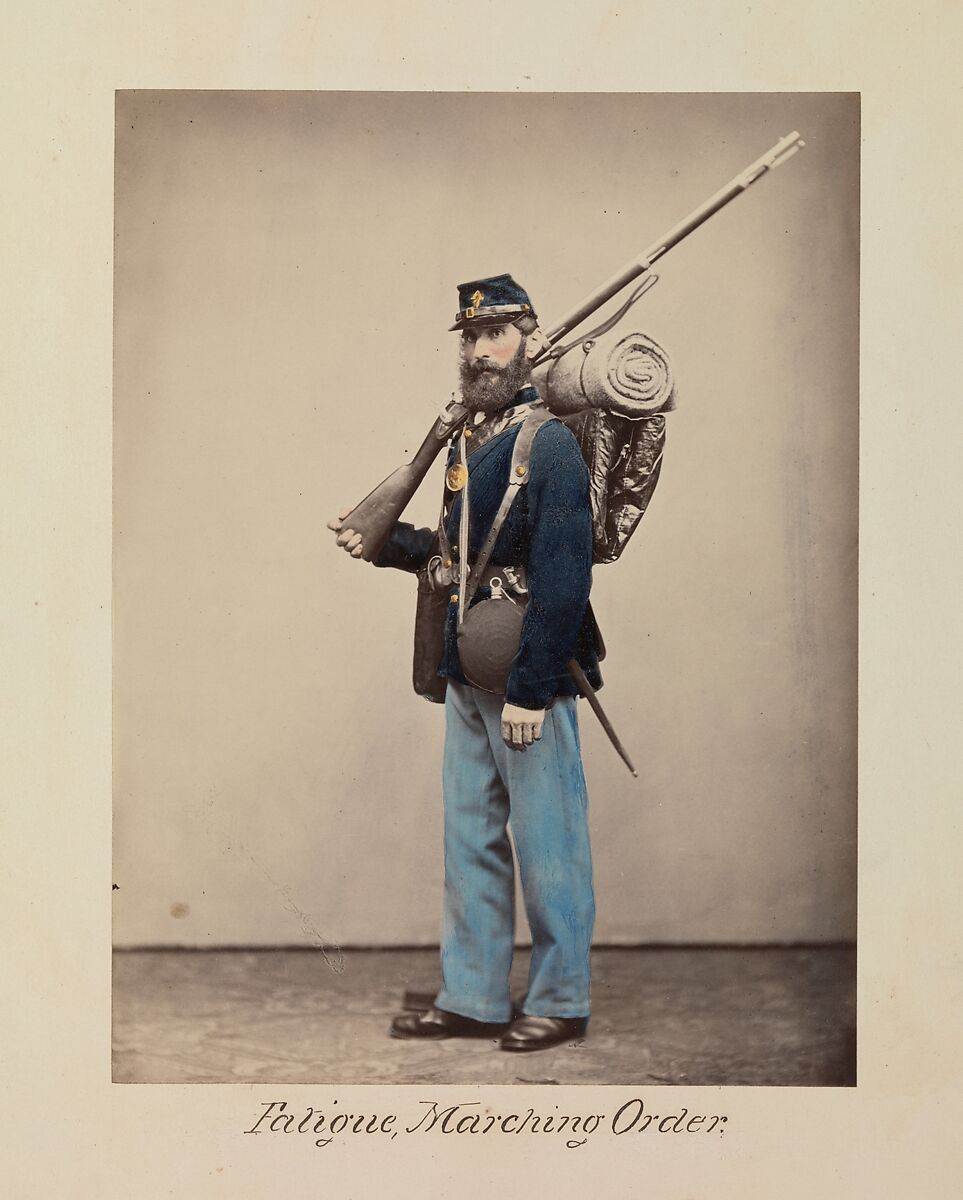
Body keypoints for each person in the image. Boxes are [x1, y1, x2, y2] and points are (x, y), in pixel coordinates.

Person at [328, 274, 602, 1052]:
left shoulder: (547, 441)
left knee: (548, 842)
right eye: (470, 338)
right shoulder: (468, 438)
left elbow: (562, 577)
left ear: (530, 340)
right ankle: (474, 996)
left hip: (525, 676)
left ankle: (562, 998)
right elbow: (461, 557)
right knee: (470, 835)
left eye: (496, 334)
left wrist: (531, 688)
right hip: (464, 665)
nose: (480, 351)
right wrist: (383, 543)